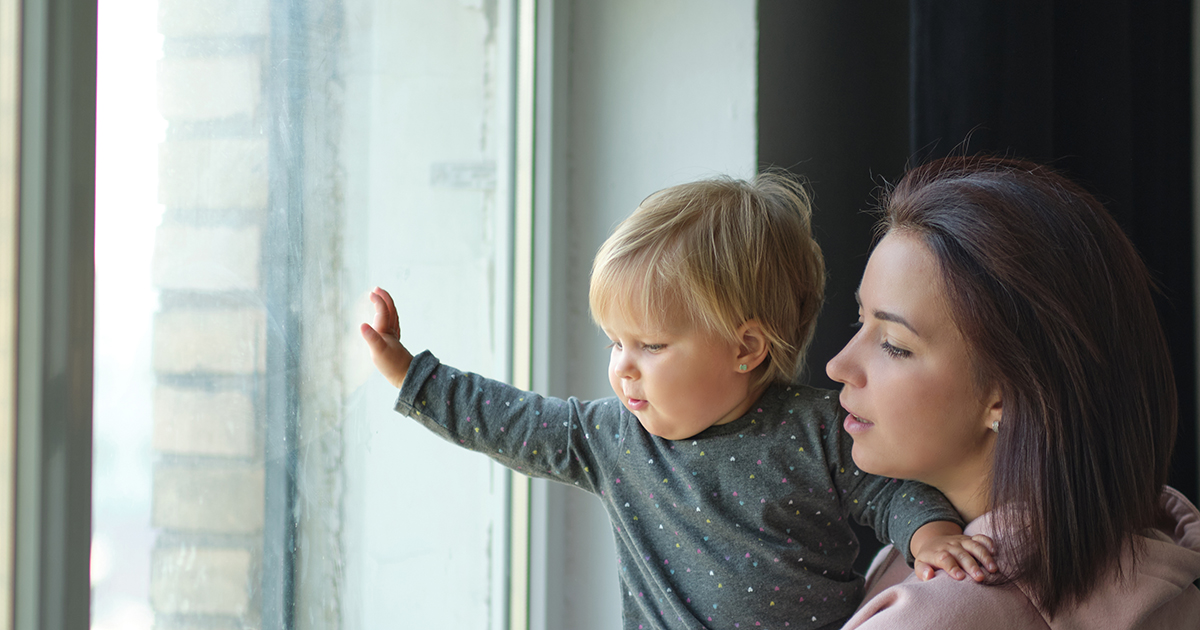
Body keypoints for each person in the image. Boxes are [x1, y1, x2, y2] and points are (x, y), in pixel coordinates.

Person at [361, 173, 996, 630]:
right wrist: (412, 374)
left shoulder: (820, 428)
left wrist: (930, 535)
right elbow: (510, 421)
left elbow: (888, 492)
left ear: (744, 348)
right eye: (615, 343)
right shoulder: (611, 436)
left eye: (651, 346)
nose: (622, 369)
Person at [827, 155, 1200, 628]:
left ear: (1004, 396)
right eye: (860, 321)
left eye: (894, 345)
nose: (838, 365)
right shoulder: (1155, 568)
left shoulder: (931, 616)